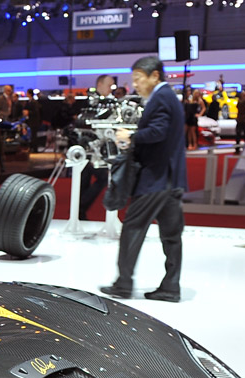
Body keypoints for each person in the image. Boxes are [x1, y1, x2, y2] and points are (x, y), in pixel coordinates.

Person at [100, 55, 187, 304]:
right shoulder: (168, 96)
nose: (135, 84)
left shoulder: (161, 98)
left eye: (138, 78)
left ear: (154, 76)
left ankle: (123, 284)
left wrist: (131, 136)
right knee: (171, 236)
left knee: (133, 228)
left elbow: (158, 131)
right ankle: (170, 287)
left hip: (155, 179)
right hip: (171, 178)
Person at [78, 74, 116, 219]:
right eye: (109, 85)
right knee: (85, 180)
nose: (111, 88)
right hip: (87, 146)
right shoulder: (87, 102)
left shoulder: (111, 103)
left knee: (100, 178)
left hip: (100, 147)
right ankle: (80, 210)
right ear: (99, 84)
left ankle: (80, 207)